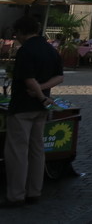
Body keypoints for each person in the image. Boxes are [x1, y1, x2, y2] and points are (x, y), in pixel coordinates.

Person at [4, 15, 63, 208]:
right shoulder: (50, 49)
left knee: (17, 152)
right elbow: (59, 77)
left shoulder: (25, 50)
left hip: (23, 106)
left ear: (21, 32)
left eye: (17, 34)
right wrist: (44, 91)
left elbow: (28, 80)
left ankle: (16, 195)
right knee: (37, 150)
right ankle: (35, 191)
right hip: (41, 109)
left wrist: (39, 94)